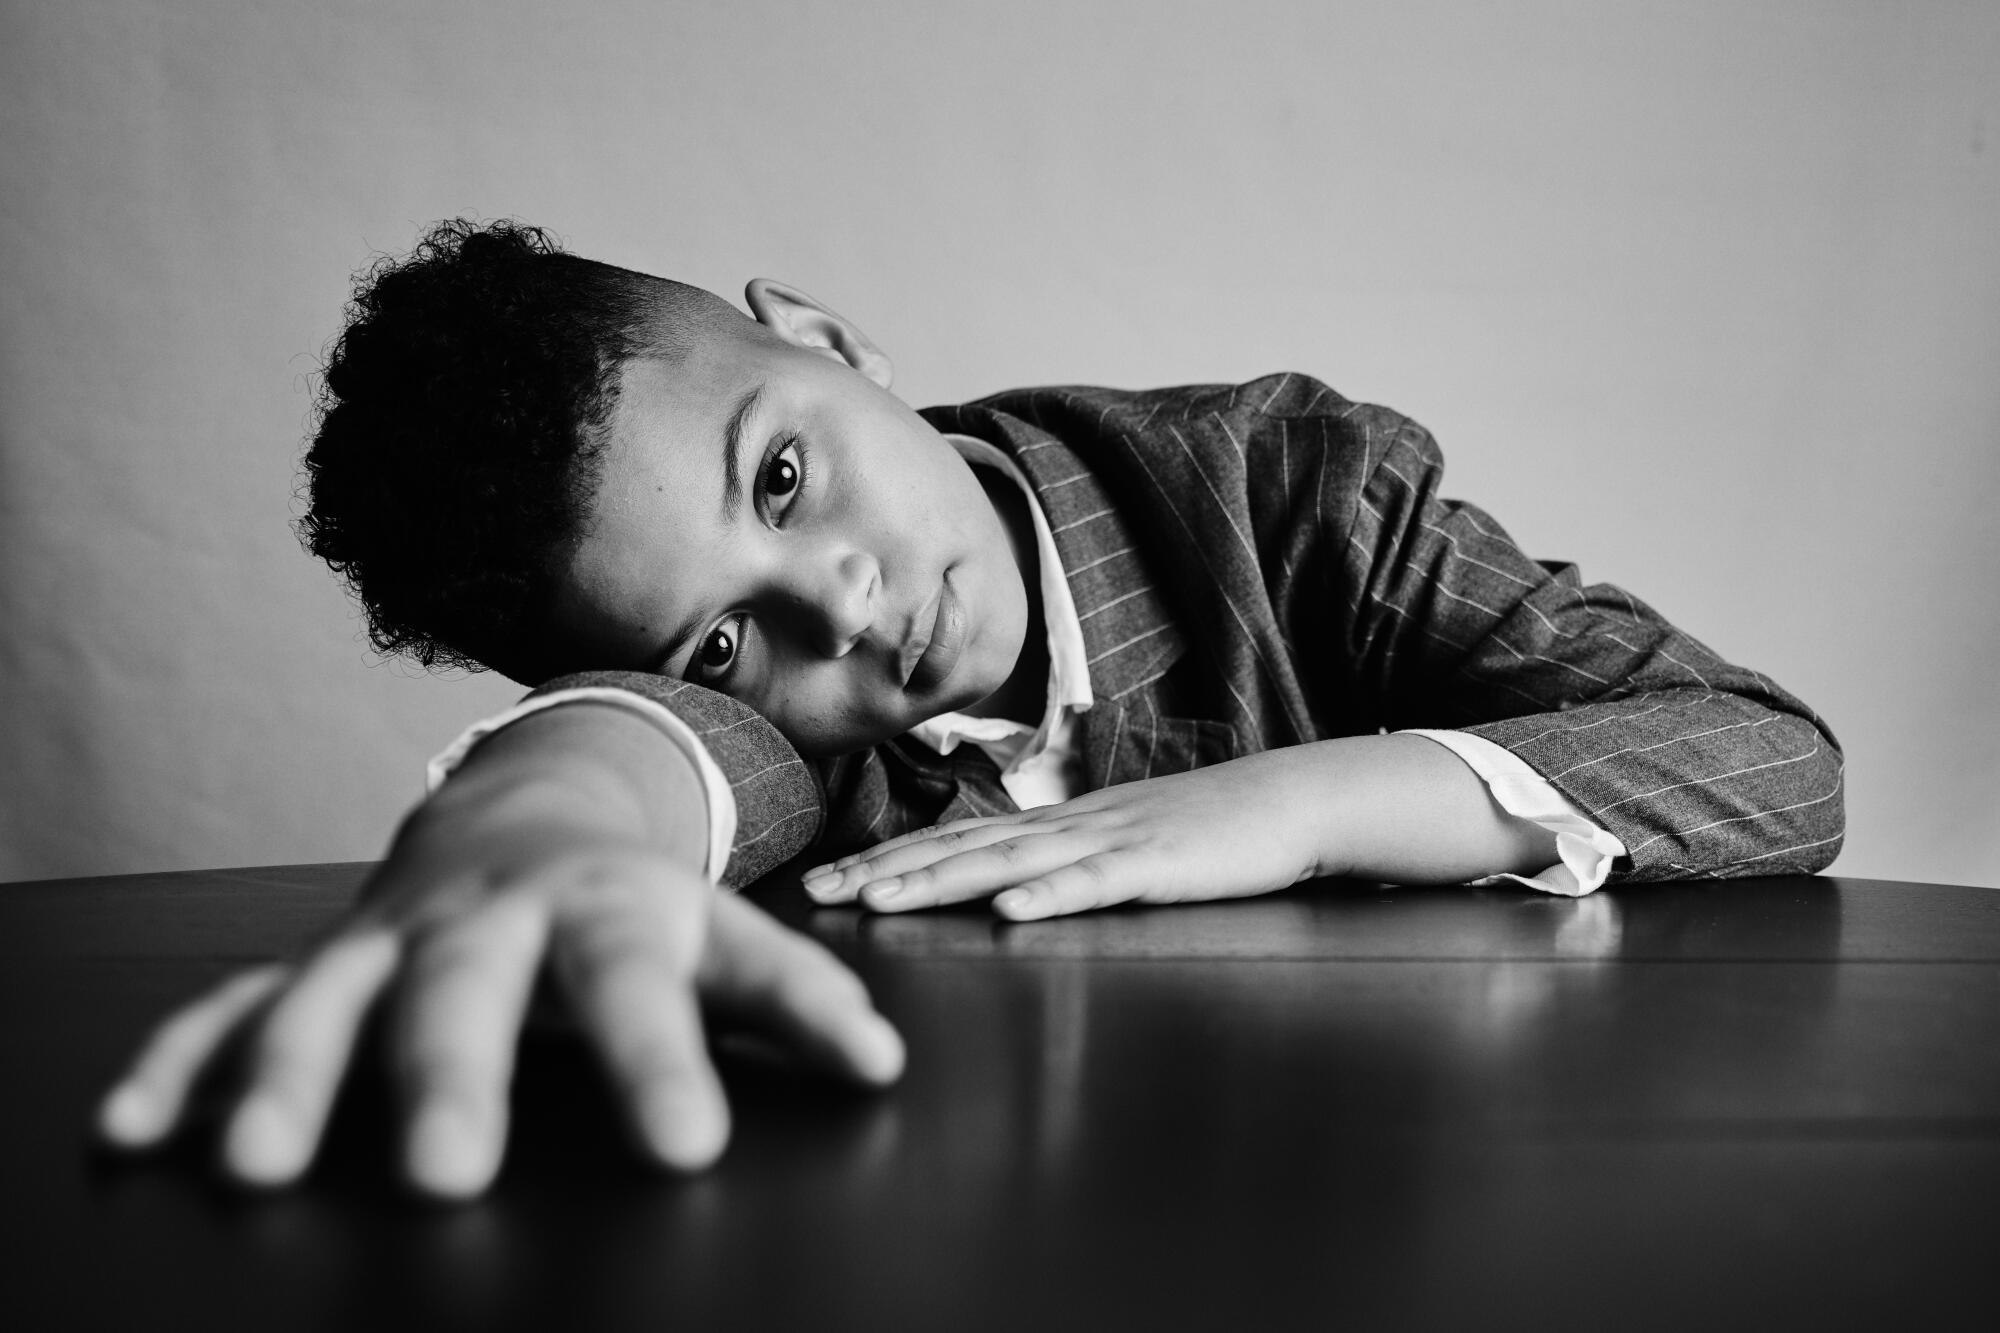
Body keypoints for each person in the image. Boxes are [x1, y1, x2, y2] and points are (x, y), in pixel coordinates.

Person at [96, 219, 1845, 1200]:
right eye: (723, 639)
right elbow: (653, 757)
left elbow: (1769, 754)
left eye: (782, 475)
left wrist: (1300, 800)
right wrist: (527, 820)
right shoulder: (805, 739)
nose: (838, 603)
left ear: (833, 340)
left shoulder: (1299, 496)